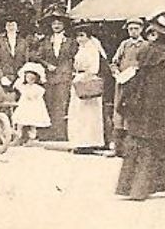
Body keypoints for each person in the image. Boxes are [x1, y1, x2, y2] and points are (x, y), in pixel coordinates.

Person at [115, 9, 165, 201]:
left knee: (147, 144)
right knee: (156, 145)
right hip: (159, 106)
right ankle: (139, 189)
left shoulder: (147, 52)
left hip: (141, 104)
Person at [65, 22, 108, 152]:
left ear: (89, 36)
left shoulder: (92, 48)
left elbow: (94, 68)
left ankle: (89, 142)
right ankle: (79, 141)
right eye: (78, 36)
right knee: (78, 113)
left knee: (88, 114)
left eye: (82, 36)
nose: (79, 39)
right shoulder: (81, 48)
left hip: (87, 81)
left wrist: (83, 78)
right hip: (79, 79)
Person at [109, 19, 148, 157]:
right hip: (122, 83)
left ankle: (132, 150)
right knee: (119, 112)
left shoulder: (145, 46)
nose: (133, 31)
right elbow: (114, 62)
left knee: (134, 112)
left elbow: (147, 65)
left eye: (136, 29)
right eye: (130, 29)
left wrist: (138, 71)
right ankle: (118, 149)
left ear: (141, 29)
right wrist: (116, 72)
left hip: (136, 84)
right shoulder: (124, 45)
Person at [35, 12, 76, 142]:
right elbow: (38, 56)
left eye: (59, 23)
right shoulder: (46, 41)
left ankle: (61, 133)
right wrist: (47, 65)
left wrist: (69, 69)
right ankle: (48, 133)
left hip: (64, 76)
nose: (57, 26)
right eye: (54, 23)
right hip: (50, 76)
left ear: (64, 25)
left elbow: (74, 57)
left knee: (62, 104)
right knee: (49, 103)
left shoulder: (70, 41)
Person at [13, 63, 52, 140]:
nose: (30, 81)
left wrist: (32, 95)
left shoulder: (37, 88)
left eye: (32, 79)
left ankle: (32, 135)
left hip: (34, 106)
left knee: (33, 120)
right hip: (25, 105)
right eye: (28, 78)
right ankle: (18, 132)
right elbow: (18, 86)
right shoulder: (24, 86)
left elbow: (37, 95)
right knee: (21, 118)